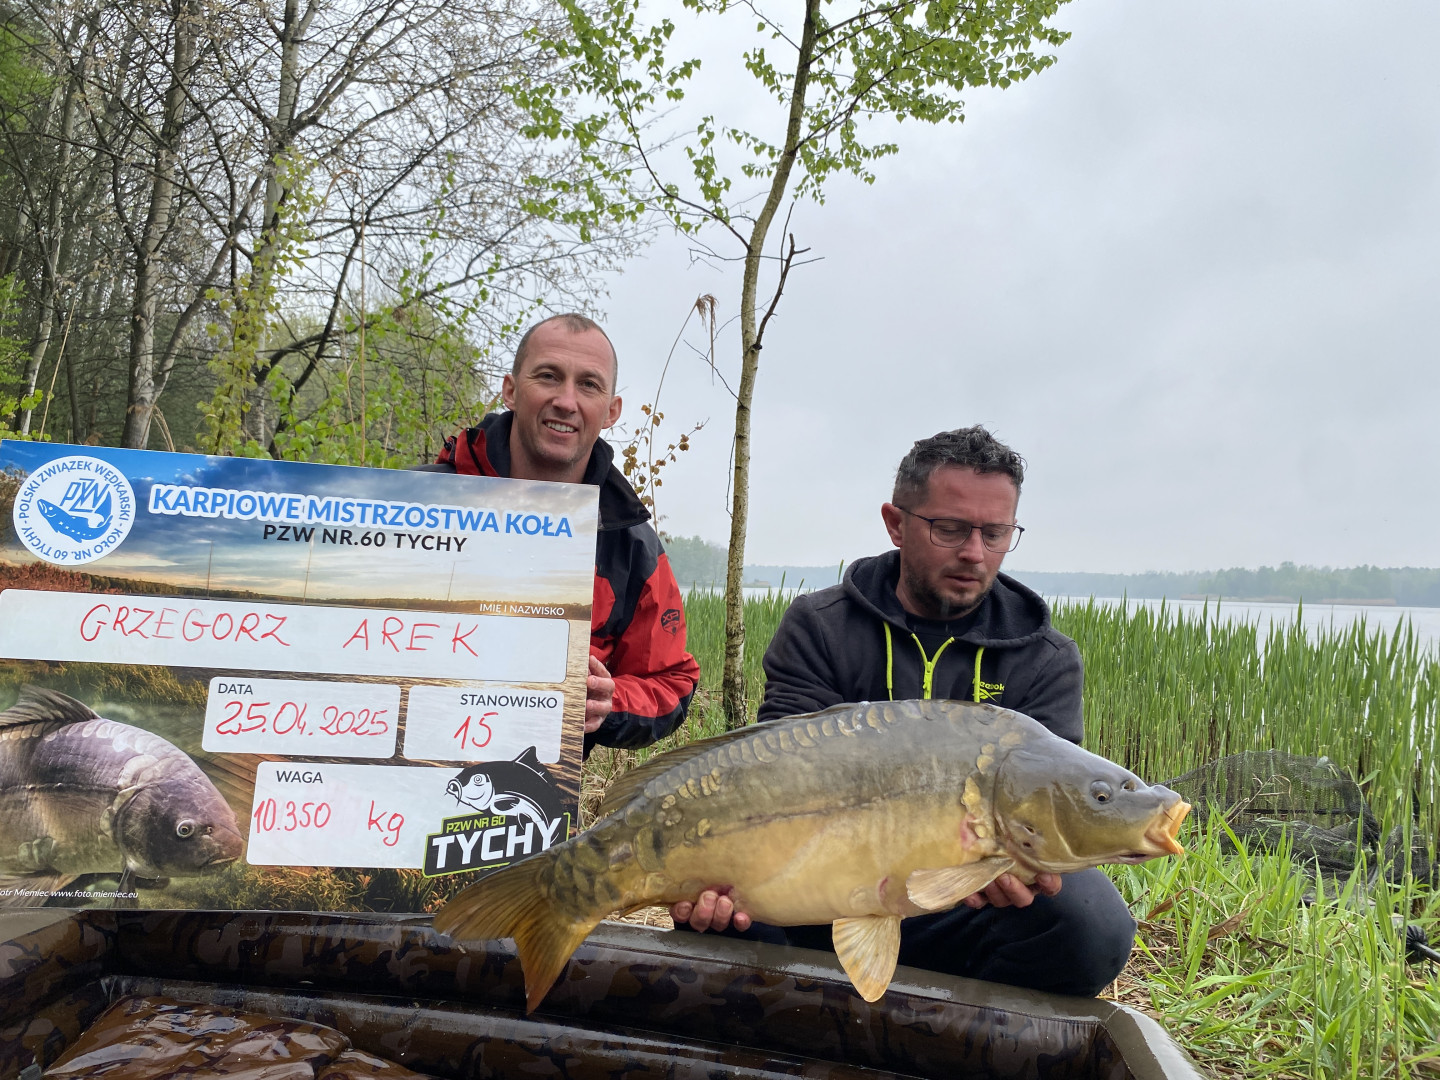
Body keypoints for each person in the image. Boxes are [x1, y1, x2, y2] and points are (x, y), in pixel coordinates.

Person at [671, 426, 1136, 997]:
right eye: (950, 529)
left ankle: (954, 1027)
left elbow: (1049, 811)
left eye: (995, 533)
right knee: (721, 914)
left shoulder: (1046, 660)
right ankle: (798, 1018)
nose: (974, 553)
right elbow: (772, 785)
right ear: (896, 523)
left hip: (962, 904)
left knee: (1091, 923)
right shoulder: (821, 626)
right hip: (814, 889)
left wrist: (1021, 870)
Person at [422, 313, 700, 755]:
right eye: (548, 376)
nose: (566, 401)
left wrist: (611, 702)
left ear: (611, 411)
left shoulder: (631, 546)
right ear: (511, 390)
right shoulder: (412, 506)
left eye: (588, 384)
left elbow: (672, 682)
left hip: (529, 786)